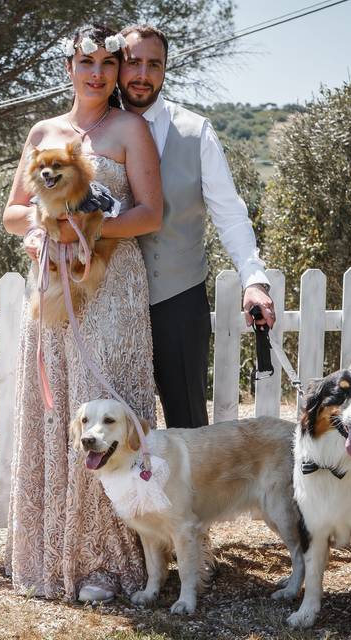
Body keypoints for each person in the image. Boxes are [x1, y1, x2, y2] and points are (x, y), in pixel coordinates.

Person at [1, 24, 162, 603]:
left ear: (119, 70)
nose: (97, 73)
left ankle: (109, 561)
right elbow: (13, 213)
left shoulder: (129, 129)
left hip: (112, 287)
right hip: (51, 286)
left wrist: (87, 228)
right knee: (57, 413)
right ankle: (52, 555)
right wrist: (43, 231)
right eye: (86, 61)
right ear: (69, 66)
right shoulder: (44, 132)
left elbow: (149, 214)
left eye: (107, 62)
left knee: (109, 403)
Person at [118, 24, 277, 429]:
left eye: (154, 64)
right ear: (119, 65)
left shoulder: (195, 130)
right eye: (133, 62)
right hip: (112, 298)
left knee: (187, 423)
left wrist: (253, 279)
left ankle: (191, 496)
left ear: (166, 70)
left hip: (179, 297)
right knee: (111, 425)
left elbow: (229, 213)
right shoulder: (98, 129)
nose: (142, 74)